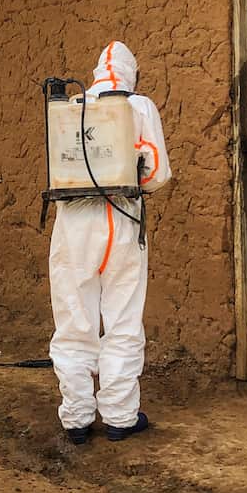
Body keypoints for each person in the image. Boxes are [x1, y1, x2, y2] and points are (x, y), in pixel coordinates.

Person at [49, 41, 171, 446]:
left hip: (73, 224)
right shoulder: (140, 106)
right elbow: (157, 173)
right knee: (122, 317)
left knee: (73, 318)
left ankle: (77, 418)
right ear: (130, 72)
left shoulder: (69, 106)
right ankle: (120, 415)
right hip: (121, 219)